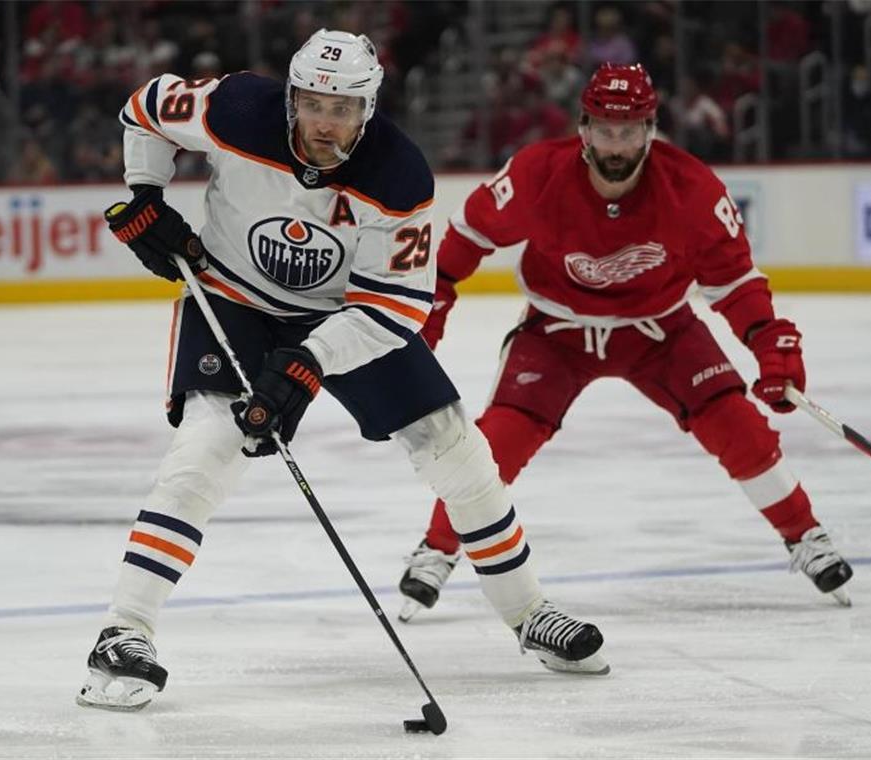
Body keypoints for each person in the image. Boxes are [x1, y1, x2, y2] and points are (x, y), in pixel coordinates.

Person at [76, 29, 609, 713]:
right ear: (293, 97)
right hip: (233, 299)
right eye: (313, 103)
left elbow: (396, 306)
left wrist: (309, 360)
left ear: (369, 107)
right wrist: (146, 190)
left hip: (344, 317)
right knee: (203, 453)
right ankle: (124, 632)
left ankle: (528, 612)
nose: (325, 122)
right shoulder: (237, 109)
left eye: (343, 108)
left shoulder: (398, 173)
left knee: (457, 448)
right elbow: (145, 108)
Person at [397, 63, 854, 623]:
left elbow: (735, 282)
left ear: (651, 128)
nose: (618, 144)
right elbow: (467, 237)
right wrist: (433, 303)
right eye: (607, 130)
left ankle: (804, 535)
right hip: (557, 333)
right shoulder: (538, 173)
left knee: (737, 426)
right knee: (497, 443)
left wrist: (771, 345)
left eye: (631, 129)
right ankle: (438, 549)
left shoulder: (692, 189)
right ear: (584, 128)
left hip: (661, 332)